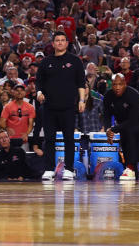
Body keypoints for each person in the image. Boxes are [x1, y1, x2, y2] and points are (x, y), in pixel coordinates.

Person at [36, 31, 88, 181]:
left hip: (68, 107)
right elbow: (39, 81)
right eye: (57, 40)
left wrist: (82, 100)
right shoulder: (46, 61)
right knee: (49, 139)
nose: (59, 43)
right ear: (53, 44)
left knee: (69, 139)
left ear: (66, 43)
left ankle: (69, 169)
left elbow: (80, 83)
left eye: (62, 40)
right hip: (49, 107)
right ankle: (48, 169)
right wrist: (39, 93)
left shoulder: (75, 61)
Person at [102, 73, 139, 181]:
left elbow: (133, 120)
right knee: (125, 137)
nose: (117, 87)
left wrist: (113, 129)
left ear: (125, 84)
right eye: (114, 84)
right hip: (123, 124)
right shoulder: (108, 96)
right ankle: (129, 169)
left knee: (130, 132)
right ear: (111, 85)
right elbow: (106, 115)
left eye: (120, 84)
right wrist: (108, 130)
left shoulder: (133, 94)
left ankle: (130, 168)